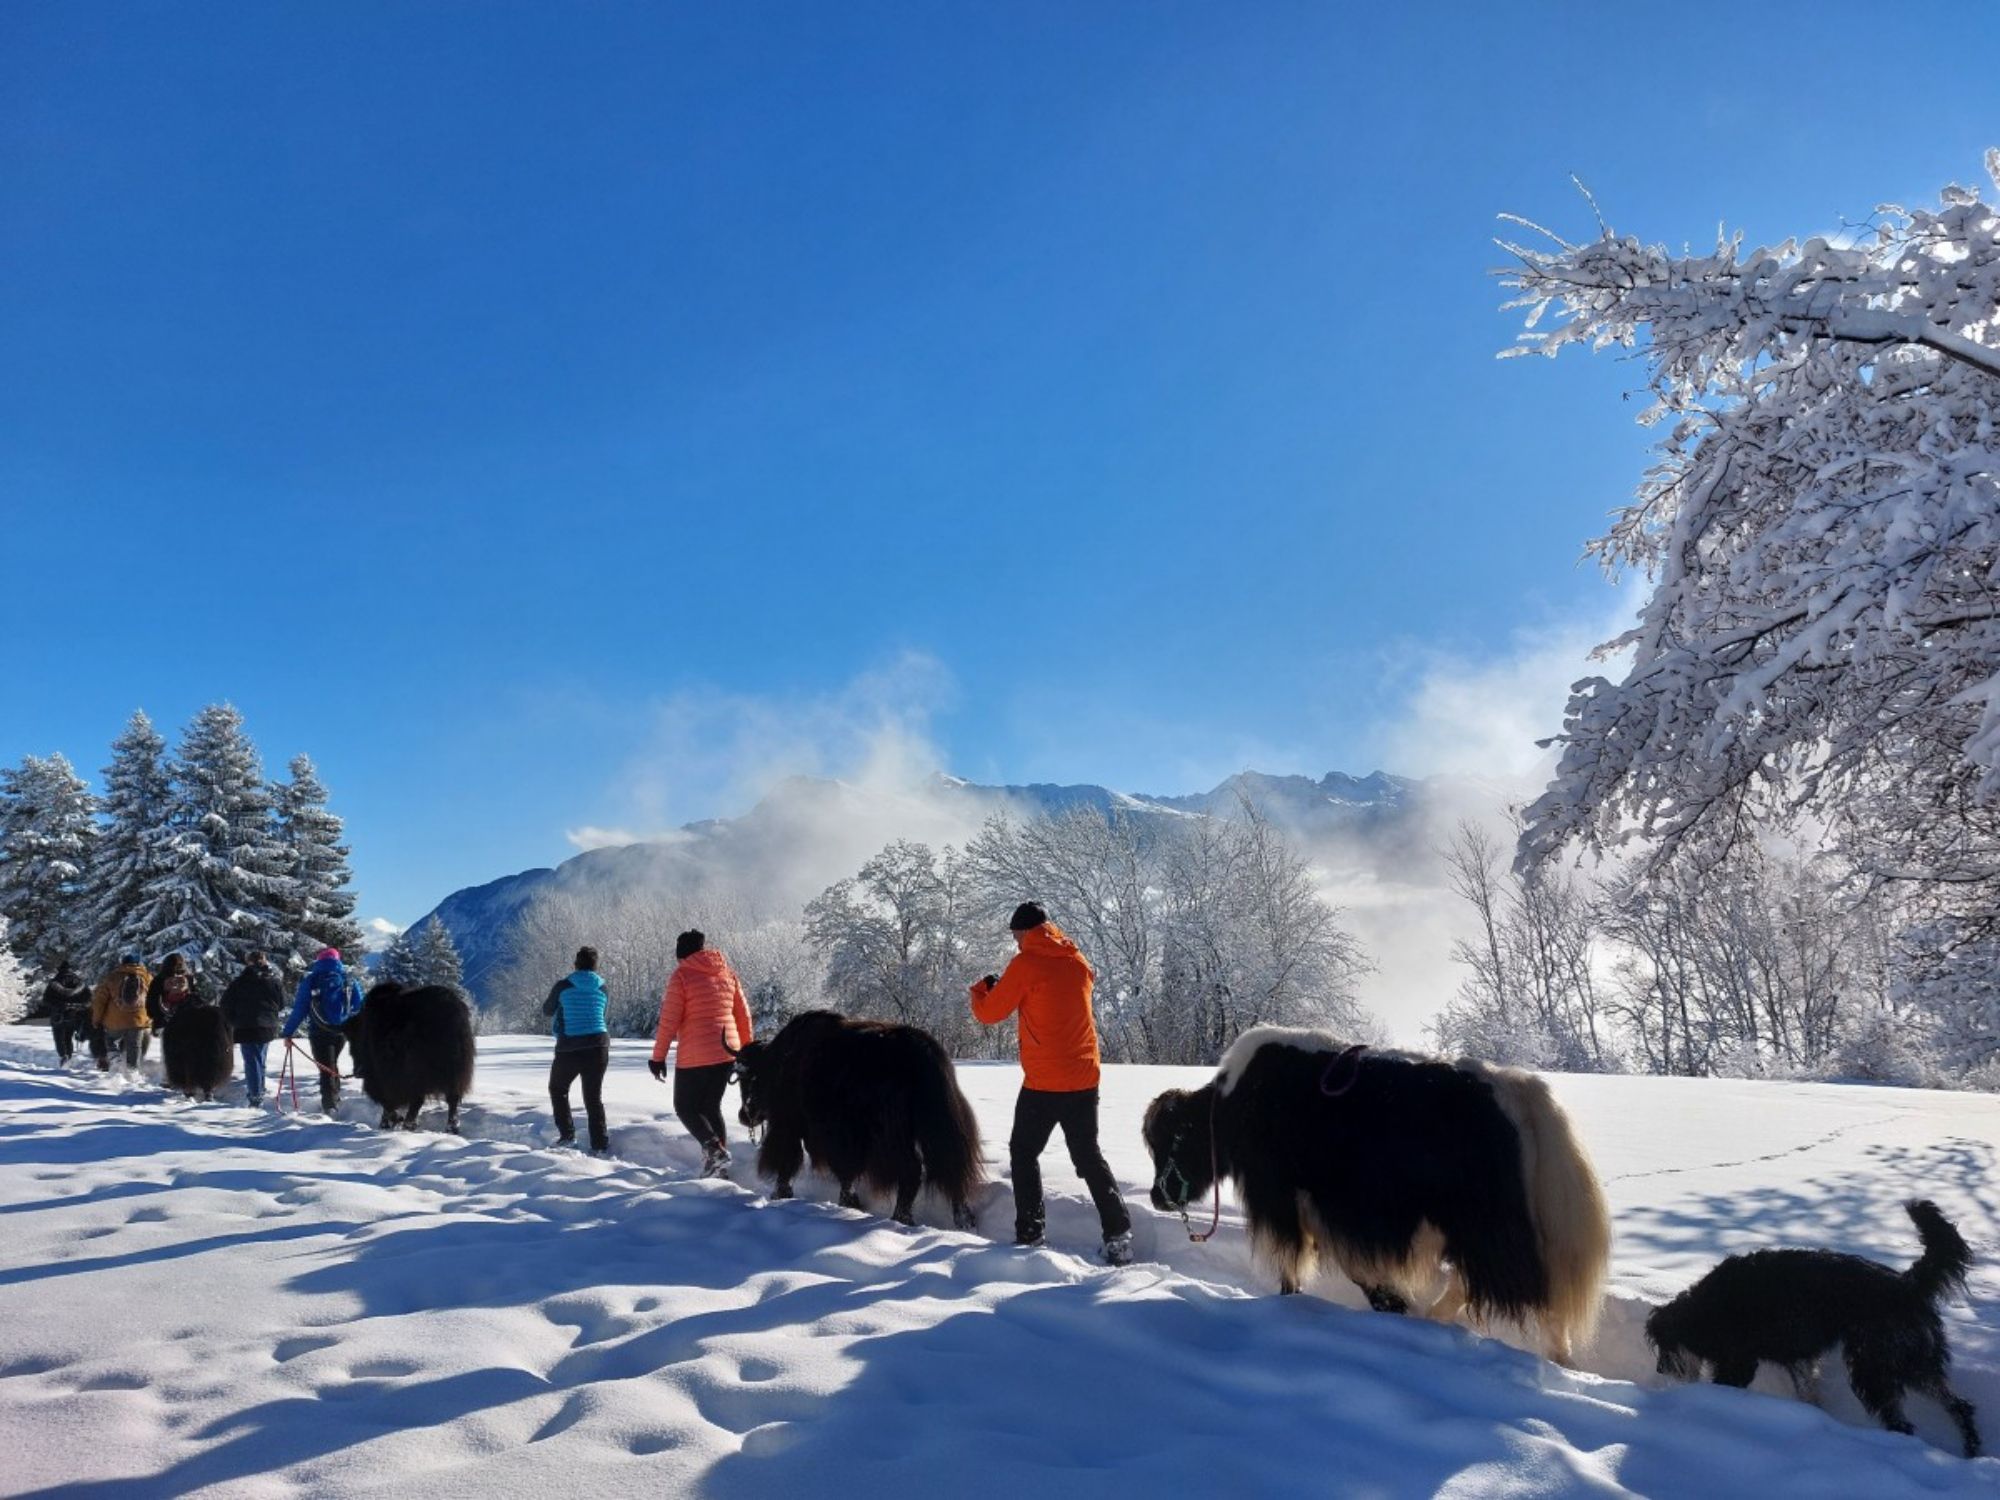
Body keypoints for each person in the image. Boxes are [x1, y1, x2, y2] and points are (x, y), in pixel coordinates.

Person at [970, 901, 1134, 1266]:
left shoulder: (1025, 964)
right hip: (1084, 1078)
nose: (1015, 942)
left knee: (1023, 1152)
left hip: (1044, 1083)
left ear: (1027, 932)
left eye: (1016, 935)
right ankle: (1119, 1234)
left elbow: (990, 1013)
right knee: (1088, 1156)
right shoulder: (1077, 960)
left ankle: (1030, 1232)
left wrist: (982, 989)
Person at [647, 929, 752, 1179]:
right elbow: (743, 1015)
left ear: (682, 952)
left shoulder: (682, 975)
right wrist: (748, 1050)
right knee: (710, 1107)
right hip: (727, 1053)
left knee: (684, 1106)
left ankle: (715, 1151)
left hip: (696, 1053)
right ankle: (719, 1166)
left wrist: (658, 1057)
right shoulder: (727, 972)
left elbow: (669, 1020)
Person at [279, 947, 366, 1111]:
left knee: (326, 1068)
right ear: (337, 960)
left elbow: (300, 1010)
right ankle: (335, 1097)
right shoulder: (348, 980)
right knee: (331, 1064)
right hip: (342, 1031)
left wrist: (288, 1033)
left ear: (319, 961)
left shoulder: (311, 980)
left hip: (318, 1031)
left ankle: (330, 1105)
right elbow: (359, 1006)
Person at [544, 945, 612, 1153]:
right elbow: (602, 1012)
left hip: (570, 1047)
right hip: (599, 1045)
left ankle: (567, 1135)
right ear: (595, 966)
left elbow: (547, 1010)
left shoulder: (563, 985)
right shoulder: (603, 987)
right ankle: (599, 1144)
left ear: (575, 964)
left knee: (558, 1089)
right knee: (593, 1097)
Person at [221, 951, 287, 1105]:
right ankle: (259, 1091)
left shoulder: (240, 982)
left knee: (252, 1062)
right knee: (260, 1060)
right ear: (265, 961)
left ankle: (255, 1096)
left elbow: (225, 1004)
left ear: (248, 962)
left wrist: (233, 1020)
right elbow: (282, 1003)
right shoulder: (274, 981)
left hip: (245, 1026)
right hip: (268, 1025)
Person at [90, 954, 153, 1071]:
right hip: (138, 1020)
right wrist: (150, 1018)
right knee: (135, 1046)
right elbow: (154, 998)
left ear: (122, 963)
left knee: (110, 1040)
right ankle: (132, 1072)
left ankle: (115, 1060)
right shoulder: (147, 977)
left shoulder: (112, 977)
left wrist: (96, 1019)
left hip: (115, 1020)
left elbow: (100, 1000)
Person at [41, 961, 91, 1063]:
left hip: (58, 1013)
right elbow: (88, 999)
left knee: (59, 1037)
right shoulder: (79, 982)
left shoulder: (54, 983)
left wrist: (57, 1005)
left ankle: (64, 1055)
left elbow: (46, 1000)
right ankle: (69, 1055)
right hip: (75, 1014)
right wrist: (78, 1006)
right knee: (68, 1036)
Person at [146, 953, 205, 1034]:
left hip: (164, 1024)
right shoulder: (188, 979)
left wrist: (156, 1018)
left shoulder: (158, 980)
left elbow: (150, 1005)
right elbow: (197, 1000)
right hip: (188, 1023)